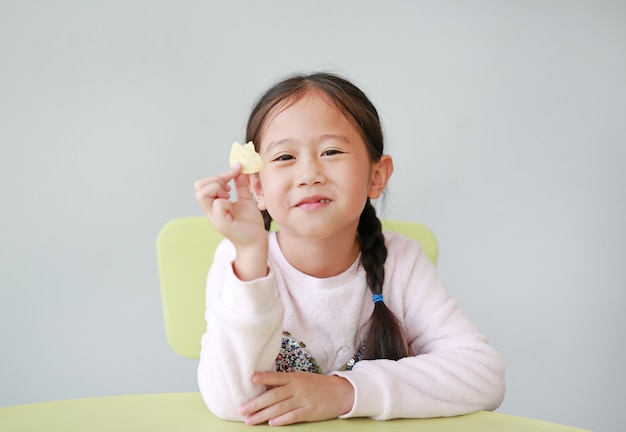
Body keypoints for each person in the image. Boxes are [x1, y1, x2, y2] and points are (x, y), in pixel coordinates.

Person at [194, 72, 505, 426]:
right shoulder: (238, 261)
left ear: (377, 175)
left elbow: (483, 373)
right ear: (258, 188)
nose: (309, 174)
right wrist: (250, 255)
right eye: (284, 157)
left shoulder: (401, 261)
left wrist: (345, 392)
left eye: (331, 151)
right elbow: (233, 403)